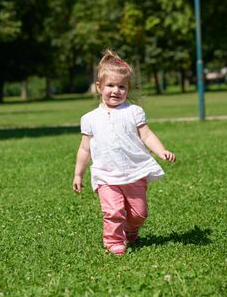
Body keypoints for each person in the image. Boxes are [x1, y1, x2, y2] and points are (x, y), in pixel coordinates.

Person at [72, 49, 176, 256]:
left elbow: (147, 135)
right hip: (106, 174)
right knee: (113, 211)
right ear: (99, 87)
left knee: (139, 213)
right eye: (110, 85)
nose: (116, 90)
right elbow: (85, 148)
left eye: (122, 86)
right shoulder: (90, 118)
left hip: (134, 171)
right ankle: (113, 242)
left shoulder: (134, 112)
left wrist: (161, 150)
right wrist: (78, 173)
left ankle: (131, 230)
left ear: (128, 89)